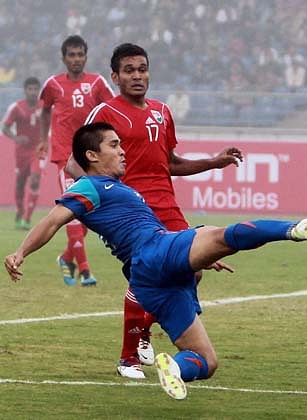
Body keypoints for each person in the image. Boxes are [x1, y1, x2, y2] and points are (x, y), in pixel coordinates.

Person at [4, 122, 307, 400]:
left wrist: (196, 259)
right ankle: (295, 229)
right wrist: (21, 252)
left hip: (153, 281)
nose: (123, 151)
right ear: (92, 155)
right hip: (155, 252)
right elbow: (52, 220)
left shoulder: (114, 188)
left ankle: (176, 368)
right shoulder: (90, 187)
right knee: (219, 235)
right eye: (113, 145)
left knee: (207, 361)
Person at [81, 43, 243, 380]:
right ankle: (131, 355)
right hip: (134, 210)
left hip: (167, 205)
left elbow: (169, 164)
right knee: (152, 277)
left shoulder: (162, 111)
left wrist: (214, 161)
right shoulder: (105, 114)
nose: (137, 75)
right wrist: (103, 199)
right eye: (129, 70)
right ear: (115, 76)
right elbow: (75, 163)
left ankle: (143, 337)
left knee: (192, 271)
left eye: (142, 69)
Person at [39, 35, 115, 287]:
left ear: (86, 56)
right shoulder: (53, 84)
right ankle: (84, 271)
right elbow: (44, 110)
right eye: (71, 55)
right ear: (64, 58)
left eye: (80, 54)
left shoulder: (97, 83)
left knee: (89, 211)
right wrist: (42, 139)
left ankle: (66, 257)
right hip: (65, 157)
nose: (76, 59)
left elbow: (112, 109)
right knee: (73, 209)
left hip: (92, 156)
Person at [2, 77, 43, 230]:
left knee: (35, 179)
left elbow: (53, 121)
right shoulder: (17, 107)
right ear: (25, 90)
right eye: (30, 89)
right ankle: (20, 211)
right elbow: (5, 127)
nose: (33, 92)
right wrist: (16, 137)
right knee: (20, 184)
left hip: (38, 150)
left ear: (39, 90)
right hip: (21, 152)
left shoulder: (44, 106)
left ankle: (27, 218)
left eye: (35, 89)